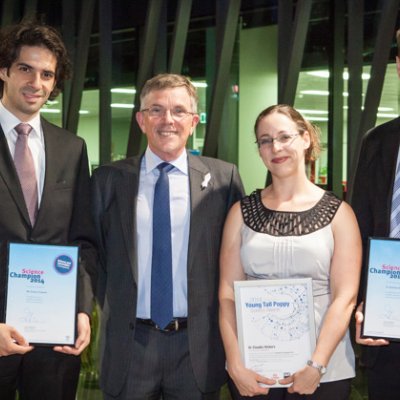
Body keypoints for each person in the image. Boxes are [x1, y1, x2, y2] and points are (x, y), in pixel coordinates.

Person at [91, 73, 244, 399]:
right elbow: (94, 255)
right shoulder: (107, 180)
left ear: (193, 121)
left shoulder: (222, 179)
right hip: (129, 345)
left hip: (196, 348)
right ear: (141, 120)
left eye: (178, 111)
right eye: (156, 110)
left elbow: (239, 257)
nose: (167, 120)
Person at [219, 104, 362, 400]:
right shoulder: (240, 213)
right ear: (259, 150)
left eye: (285, 137)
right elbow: (227, 295)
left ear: (306, 138)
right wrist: (234, 364)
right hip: (255, 370)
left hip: (325, 369)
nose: (276, 147)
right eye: (265, 140)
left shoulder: (340, 214)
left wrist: (316, 365)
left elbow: (345, 297)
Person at [0, 21, 96, 400]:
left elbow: (83, 239)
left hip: (55, 337)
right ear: (4, 70)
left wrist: (82, 310)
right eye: (25, 68)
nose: (35, 82)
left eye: (47, 74)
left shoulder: (72, 148)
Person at [352, 28, 400, 400]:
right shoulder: (377, 142)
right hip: (388, 319)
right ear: (398, 66)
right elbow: (362, 229)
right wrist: (363, 302)